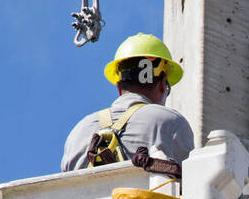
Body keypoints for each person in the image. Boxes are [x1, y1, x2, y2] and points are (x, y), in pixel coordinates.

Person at [61, 33, 194, 173]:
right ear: (162, 84)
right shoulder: (171, 121)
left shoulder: (78, 132)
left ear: (118, 87)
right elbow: (190, 184)